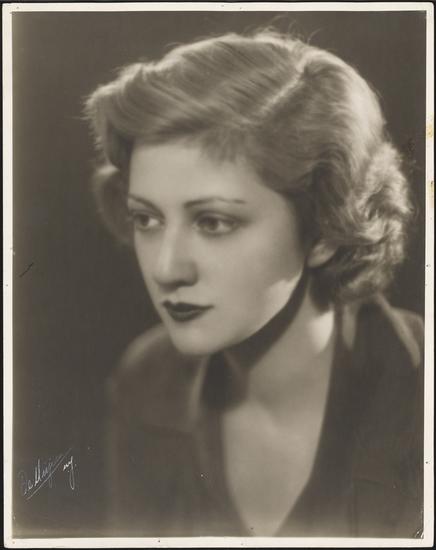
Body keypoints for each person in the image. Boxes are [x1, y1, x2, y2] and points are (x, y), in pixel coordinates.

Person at [85, 29, 424, 538]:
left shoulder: (420, 396)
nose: (166, 268)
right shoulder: (148, 385)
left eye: (213, 222)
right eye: (147, 219)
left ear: (323, 229)